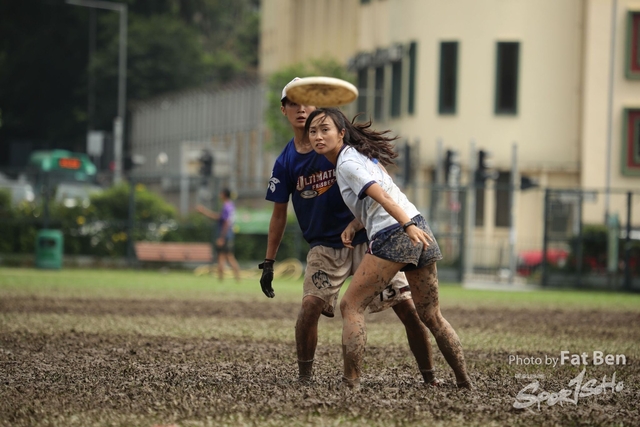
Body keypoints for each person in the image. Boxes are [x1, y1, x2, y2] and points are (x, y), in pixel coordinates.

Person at [258, 78, 439, 386]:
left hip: (371, 241)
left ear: (318, 107)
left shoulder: (340, 146)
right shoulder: (285, 162)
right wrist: (269, 262)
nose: (301, 108)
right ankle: (304, 378)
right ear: (283, 110)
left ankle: (430, 378)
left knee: (408, 308)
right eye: (293, 102)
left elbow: (380, 184)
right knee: (309, 307)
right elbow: (278, 214)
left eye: (307, 102)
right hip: (325, 247)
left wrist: (396, 222)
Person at [306, 107, 473, 390]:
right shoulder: (362, 156)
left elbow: (382, 194)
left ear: (341, 133)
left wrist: (405, 226)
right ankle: (464, 381)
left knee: (350, 306)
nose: (318, 136)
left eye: (325, 129)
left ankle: (351, 384)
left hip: (398, 232)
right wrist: (357, 225)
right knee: (432, 315)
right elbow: (385, 192)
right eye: (313, 131)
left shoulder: (346, 163)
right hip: (420, 226)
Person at [196, 188, 241, 282]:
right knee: (227, 257)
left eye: (221, 193)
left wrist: (222, 237)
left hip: (225, 235)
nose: (219, 195)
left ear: (224, 195)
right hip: (229, 234)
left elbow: (225, 222)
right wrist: (204, 212)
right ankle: (233, 278)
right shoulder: (230, 205)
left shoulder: (226, 206)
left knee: (224, 257)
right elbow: (220, 217)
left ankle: (224, 279)